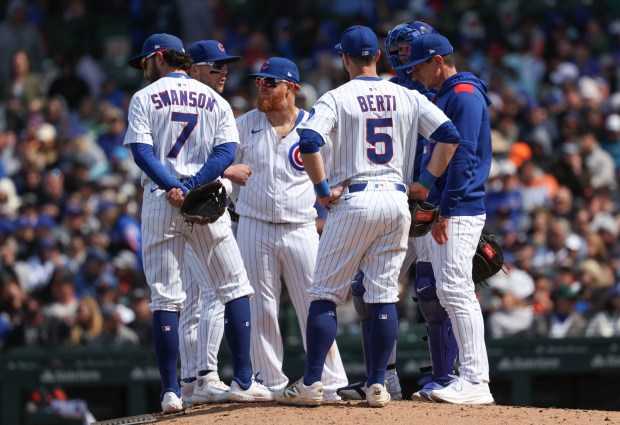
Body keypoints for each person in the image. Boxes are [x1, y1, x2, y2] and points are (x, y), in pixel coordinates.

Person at [273, 25, 459, 408]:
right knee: (382, 294)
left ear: (344, 59)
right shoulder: (404, 94)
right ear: (377, 56)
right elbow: (449, 134)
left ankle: (311, 383)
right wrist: (425, 182)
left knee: (324, 293)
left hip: (355, 197)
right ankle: (377, 385)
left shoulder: (337, 96)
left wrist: (323, 190)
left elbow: (308, 141)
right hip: (395, 199)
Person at [124, 33, 272, 414]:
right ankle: (243, 380)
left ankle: (172, 391)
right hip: (205, 198)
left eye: (145, 61)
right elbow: (225, 152)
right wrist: (191, 186)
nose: (144, 68)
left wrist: (174, 187)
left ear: (159, 57)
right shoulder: (215, 100)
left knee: (166, 297)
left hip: (161, 201)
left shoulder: (144, 98)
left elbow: (141, 152)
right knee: (235, 287)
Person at [336, 19, 444, 402]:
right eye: (396, 52)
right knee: (368, 290)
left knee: (435, 292)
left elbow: (455, 145)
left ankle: (445, 376)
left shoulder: (441, 90)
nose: (403, 58)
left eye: (407, 51)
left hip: (429, 205)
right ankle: (384, 378)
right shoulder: (391, 90)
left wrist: (440, 198)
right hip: (394, 201)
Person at [234, 57, 348, 400]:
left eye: (271, 82)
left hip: (301, 226)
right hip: (253, 224)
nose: (263, 87)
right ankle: (268, 381)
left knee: (315, 303)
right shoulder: (244, 125)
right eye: (260, 82)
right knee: (260, 307)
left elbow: (335, 171)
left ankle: (329, 381)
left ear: (291, 87)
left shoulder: (315, 126)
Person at [396, 32, 495, 404]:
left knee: (456, 290)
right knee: (448, 291)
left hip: (460, 208)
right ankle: (468, 378)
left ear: (438, 61)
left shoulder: (464, 95)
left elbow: (464, 156)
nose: (414, 73)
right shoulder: (448, 93)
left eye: (418, 65)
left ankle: (476, 380)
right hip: (448, 208)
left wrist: (447, 210)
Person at [177, 39, 250, 407]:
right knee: (217, 292)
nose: (224, 72)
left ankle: (190, 380)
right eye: (215, 66)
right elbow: (208, 157)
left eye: (226, 66)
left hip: (177, 206)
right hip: (198, 204)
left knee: (192, 298)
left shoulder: (179, 102)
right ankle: (205, 374)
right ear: (194, 68)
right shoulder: (211, 106)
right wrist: (226, 167)